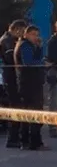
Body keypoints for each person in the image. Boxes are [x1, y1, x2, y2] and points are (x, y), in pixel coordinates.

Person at [14, 25, 48, 150]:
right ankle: (32, 141)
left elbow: (37, 58)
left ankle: (33, 141)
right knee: (32, 114)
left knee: (33, 113)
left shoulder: (31, 45)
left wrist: (39, 48)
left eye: (37, 35)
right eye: (33, 34)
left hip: (34, 83)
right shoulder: (24, 45)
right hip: (28, 84)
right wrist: (43, 63)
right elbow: (28, 62)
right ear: (26, 34)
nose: (36, 37)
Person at [1, 19, 27, 148]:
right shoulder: (7, 41)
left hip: (12, 77)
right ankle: (13, 138)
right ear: (16, 29)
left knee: (17, 107)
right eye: (22, 31)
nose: (22, 34)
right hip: (11, 78)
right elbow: (12, 59)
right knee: (15, 107)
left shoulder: (9, 40)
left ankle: (15, 137)